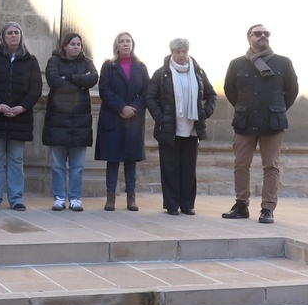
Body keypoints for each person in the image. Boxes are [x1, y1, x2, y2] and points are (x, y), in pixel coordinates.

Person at [221, 24, 298, 224]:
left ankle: (267, 209)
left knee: (271, 166)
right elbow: (230, 90)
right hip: (245, 121)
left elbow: (291, 91)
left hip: (272, 122)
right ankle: (241, 205)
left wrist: (276, 108)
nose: (262, 36)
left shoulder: (283, 63)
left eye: (266, 33)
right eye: (258, 33)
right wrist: (244, 108)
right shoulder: (236, 64)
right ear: (249, 38)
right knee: (240, 165)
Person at [146, 38, 217, 215]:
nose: (181, 55)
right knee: (169, 168)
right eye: (178, 52)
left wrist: (205, 112)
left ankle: (187, 204)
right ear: (172, 52)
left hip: (192, 129)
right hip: (169, 128)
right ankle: (171, 205)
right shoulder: (162, 73)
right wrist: (161, 118)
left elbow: (211, 95)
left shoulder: (198, 72)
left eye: (184, 51)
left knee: (188, 168)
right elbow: (150, 97)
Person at [0, 22, 42, 212]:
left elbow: (36, 88)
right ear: (3, 37)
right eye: (9, 33)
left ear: (21, 36)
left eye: (16, 33)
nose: (13, 36)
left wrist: (22, 107)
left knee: (16, 160)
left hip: (19, 118)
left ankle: (16, 199)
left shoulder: (31, 60)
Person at [42, 32, 98, 212]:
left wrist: (69, 78)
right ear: (64, 46)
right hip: (58, 119)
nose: (76, 47)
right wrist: (79, 84)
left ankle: (75, 198)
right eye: (72, 44)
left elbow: (93, 78)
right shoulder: (54, 61)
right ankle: (59, 197)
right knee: (58, 165)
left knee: (77, 166)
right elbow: (53, 80)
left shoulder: (87, 62)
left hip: (80, 121)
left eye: (78, 44)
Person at [96, 31, 149, 212]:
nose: (125, 44)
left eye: (128, 41)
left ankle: (131, 197)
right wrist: (121, 107)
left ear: (133, 45)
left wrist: (132, 107)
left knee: (130, 160)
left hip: (134, 120)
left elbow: (146, 92)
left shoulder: (141, 67)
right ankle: (110, 197)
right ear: (116, 45)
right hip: (114, 117)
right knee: (113, 159)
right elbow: (105, 90)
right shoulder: (108, 66)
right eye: (122, 41)